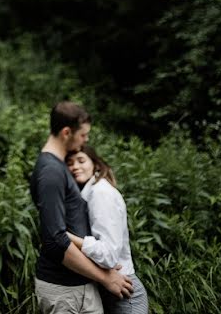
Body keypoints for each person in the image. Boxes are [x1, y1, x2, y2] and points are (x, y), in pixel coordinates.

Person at [30, 101, 134, 314]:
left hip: (82, 284)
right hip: (63, 290)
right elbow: (56, 240)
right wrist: (105, 277)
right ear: (67, 132)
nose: (86, 139)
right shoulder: (51, 172)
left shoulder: (59, 166)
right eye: (84, 135)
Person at [66, 146, 149, 314]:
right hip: (111, 288)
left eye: (81, 161)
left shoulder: (100, 193)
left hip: (124, 291)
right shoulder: (88, 192)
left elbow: (108, 254)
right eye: (69, 163)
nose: (75, 166)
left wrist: (66, 237)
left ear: (96, 165)